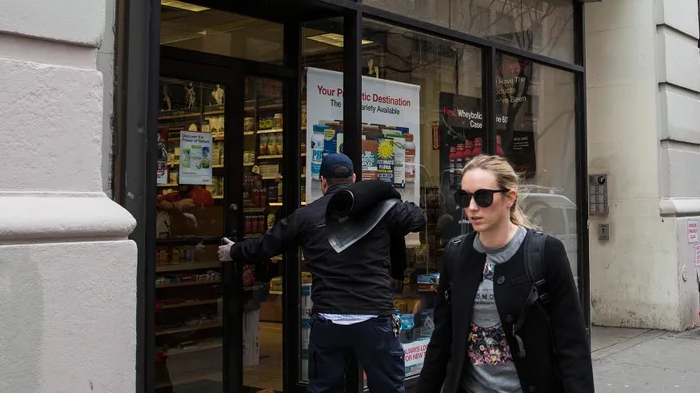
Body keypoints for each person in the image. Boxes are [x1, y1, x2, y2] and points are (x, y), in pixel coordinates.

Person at [219, 154, 427, 393]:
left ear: (322, 182)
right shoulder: (381, 210)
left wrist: (233, 250)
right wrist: (382, 194)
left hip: (329, 321)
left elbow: (266, 245)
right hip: (374, 319)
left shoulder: (305, 216)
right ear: (354, 178)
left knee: (323, 389)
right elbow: (417, 219)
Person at [418, 155, 593, 393]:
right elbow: (442, 338)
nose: (472, 207)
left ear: (510, 197)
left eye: (483, 197)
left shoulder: (545, 252)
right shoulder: (456, 254)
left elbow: (571, 343)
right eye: (464, 197)